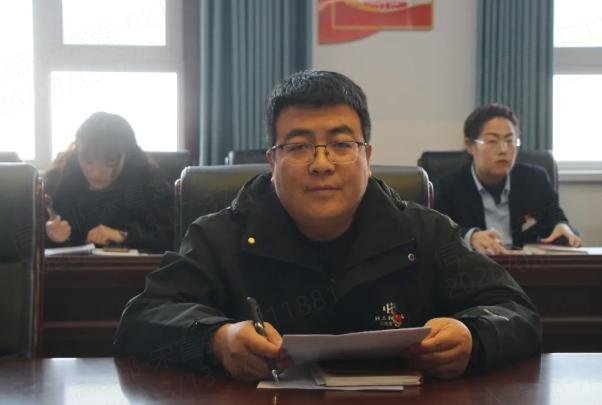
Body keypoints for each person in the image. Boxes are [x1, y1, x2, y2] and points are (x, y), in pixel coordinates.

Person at [113, 71, 541, 380]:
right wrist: (216, 340)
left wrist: (473, 337)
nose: (321, 164)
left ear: (367, 157)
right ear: (273, 161)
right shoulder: (220, 236)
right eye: (299, 147)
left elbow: (516, 311)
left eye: (340, 144)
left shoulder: (425, 233)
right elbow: (142, 320)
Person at [434, 103, 581, 255]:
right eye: (492, 141)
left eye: (510, 141)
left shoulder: (535, 180)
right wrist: (470, 237)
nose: (503, 150)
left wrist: (563, 228)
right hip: (476, 268)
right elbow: (437, 236)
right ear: (470, 145)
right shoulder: (447, 188)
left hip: (526, 267)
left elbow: (557, 220)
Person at [44, 111, 174, 253]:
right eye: (88, 160)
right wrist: (51, 236)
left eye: (109, 161)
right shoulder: (58, 181)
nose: (97, 172)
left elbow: (171, 240)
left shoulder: (148, 181)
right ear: (78, 154)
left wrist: (124, 236)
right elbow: (34, 248)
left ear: (127, 156)